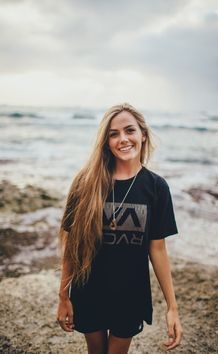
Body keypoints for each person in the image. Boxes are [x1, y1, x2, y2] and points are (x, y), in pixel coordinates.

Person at [57, 103, 183, 354]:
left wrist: (172, 307)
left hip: (130, 294)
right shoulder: (86, 184)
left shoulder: (157, 188)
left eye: (129, 130)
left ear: (143, 134)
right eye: (114, 134)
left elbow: (157, 250)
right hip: (88, 289)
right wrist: (63, 297)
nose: (123, 139)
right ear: (106, 142)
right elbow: (72, 247)